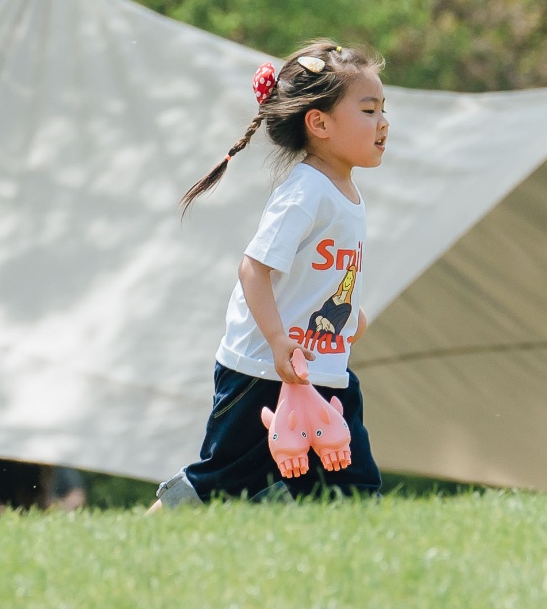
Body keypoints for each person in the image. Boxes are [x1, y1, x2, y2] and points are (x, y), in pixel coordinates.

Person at [150, 43, 387, 508]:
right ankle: (138, 542)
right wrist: (279, 341)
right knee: (223, 481)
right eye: (368, 109)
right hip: (263, 369)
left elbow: (318, 275)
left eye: (383, 109)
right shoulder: (305, 192)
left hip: (322, 368)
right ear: (318, 123)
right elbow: (254, 269)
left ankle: (355, 563)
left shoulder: (343, 190)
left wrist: (346, 315)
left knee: (352, 485)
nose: (383, 122)